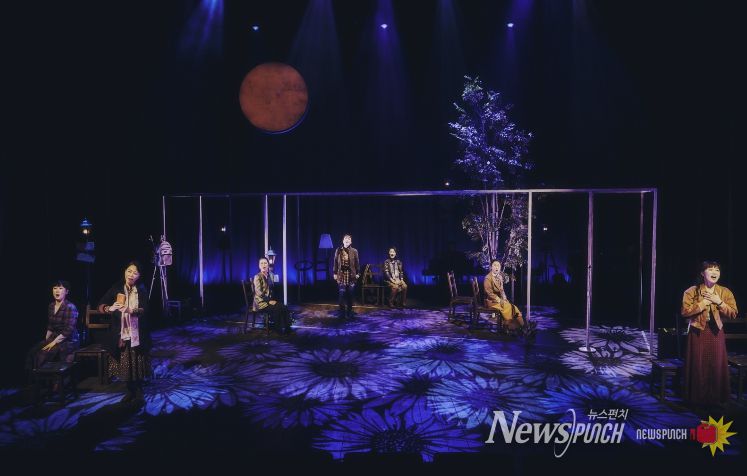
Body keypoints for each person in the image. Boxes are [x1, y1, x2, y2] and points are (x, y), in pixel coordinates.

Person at [681, 261, 738, 407]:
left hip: (716, 333)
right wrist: (702, 304)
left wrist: (719, 302)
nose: (714, 272)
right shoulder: (692, 291)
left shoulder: (725, 292)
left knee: (716, 365)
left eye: (717, 270)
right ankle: (697, 400)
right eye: (710, 269)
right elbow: (685, 312)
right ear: (702, 273)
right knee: (698, 365)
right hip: (697, 331)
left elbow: (733, 313)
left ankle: (716, 399)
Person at [98, 261, 152, 404]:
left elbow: (145, 309)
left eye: (135, 272)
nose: (131, 275)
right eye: (129, 271)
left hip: (137, 331)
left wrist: (131, 310)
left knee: (137, 362)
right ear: (124, 271)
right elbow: (101, 305)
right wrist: (109, 308)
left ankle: (139, 391)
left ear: (139, 276)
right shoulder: (116, 287)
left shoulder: (141, 289)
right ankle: (130, 390)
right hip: (120, 331)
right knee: (125, 362)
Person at [26, 280, 79, 372]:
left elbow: (69, 329)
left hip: (68, 340)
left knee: (42, 355)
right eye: (55, 288)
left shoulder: (70, 307)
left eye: (60, 288)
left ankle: (46, 378)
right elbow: (50, 326)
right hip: (54, 337)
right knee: (33, 352)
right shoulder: (51, 306)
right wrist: (46, 341)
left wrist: (54, 342)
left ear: (66, 291)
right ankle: (33, 377)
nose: (57, 291)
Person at [253, 257, 293, 334]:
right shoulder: (257, 276)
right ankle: (278, 330)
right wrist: (269, 301)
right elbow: (258, 292)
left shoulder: (269, 275)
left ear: (268, 265)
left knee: (284, 307)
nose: (263, 265)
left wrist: (274, 299)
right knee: (277, 308)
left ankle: (287, 328)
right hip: (261, 302)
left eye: (265, 263)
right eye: (261, 263)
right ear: (259, 266)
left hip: (269, 300)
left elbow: (272, 288)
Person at [484, 260, 525, 331]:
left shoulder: (500, 277)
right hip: (491, 302)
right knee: (508, 307)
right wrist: (500, 300)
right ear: (491, 267)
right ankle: (509, 326)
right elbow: (489, 293)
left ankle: (522, 325)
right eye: (494, 265)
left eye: (498, 266)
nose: (496, 267)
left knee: (513, 307)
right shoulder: (488, 278)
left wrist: (504, 298)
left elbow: (502, 290)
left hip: (499, 301)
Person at [333, 234, 360, 318]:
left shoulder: (354, 251)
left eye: (349, 239)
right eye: (345, 238)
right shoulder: (338, 250)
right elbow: (335, 262)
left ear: (351, 242)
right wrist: (335, 273)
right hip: (341, 275)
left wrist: (358, 273)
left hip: (351, 275)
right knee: (341, 294)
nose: (347, 240)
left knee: (350, 294)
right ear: (343, 241)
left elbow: (357, 263)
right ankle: (342, 311)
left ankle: (349, 311)